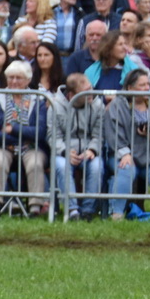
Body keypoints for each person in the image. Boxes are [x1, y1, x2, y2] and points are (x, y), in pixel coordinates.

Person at [105, 68, 150, 218]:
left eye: (148, 84)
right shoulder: (117, 105)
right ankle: (116, 213)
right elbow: (112, 134)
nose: (147, 88)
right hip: (123, 154)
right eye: (142, 85)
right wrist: (125, 153)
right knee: (125, 169)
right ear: (130, 88)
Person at [0, 60, 48, 217]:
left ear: (28, 80)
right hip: (3, 146)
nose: (14, 81)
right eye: (10, 77)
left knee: (35, 163)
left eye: (18, 78)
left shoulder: (38, 100)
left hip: (32, 147)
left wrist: (13, 129)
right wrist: (23, 136)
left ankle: (35, 208)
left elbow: (39, 132)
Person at [49, 74, 104, 220]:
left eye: (91, 88)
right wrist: (65, 151)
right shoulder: (55, 105)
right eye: (86, 91)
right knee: (62, 166)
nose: (91, 93)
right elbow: (53, 136)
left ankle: (88, 210)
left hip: (88, 151)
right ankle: (72, 210)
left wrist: (92, 150)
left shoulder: (98, 105)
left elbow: (99, 135)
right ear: (72, 94)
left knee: (97, 166)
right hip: (64, 151)